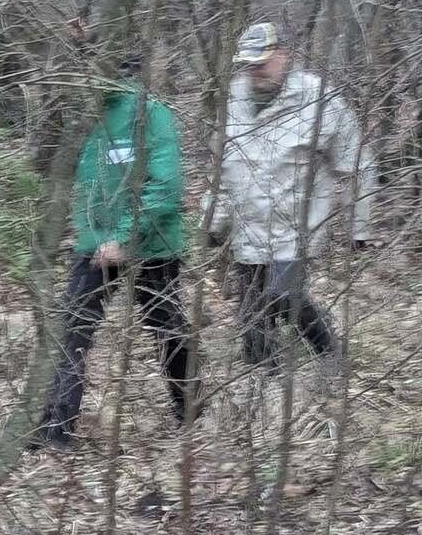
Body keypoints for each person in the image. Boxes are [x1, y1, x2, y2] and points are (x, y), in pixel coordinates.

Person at [34, 54, 192, 448]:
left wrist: (124, 236)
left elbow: (166, 186)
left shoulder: (149, 114)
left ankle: (190, 411)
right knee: (72, 329)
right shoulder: (81, 116)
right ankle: (56, 431)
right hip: (94, 245)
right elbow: (53, 170)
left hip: (153, 245)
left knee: (167, 328)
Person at [204, 23, 376, 376]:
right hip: (248, 228)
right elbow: (221, 166)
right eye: (249, 64)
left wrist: (360, 226)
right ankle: (264, 383)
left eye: (262, 62)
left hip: (296, 227)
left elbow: (358, 164)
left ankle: (330, 354)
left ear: (284, 55)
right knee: (252, 321)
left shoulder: (319, 100)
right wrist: (212, 220)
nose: (255, 71)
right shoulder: (233, 100)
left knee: (284, 296)